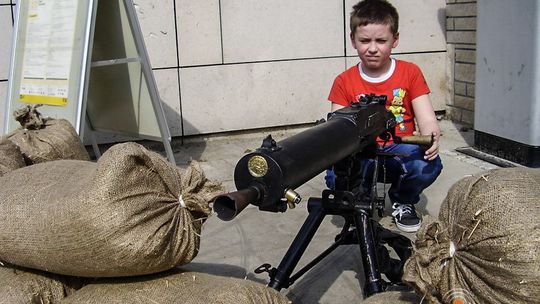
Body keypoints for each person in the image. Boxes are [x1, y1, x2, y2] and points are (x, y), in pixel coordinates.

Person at [326, 0, 443, 233]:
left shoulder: (410, 72)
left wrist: (431, 134)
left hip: (400, 150)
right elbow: (336, 127)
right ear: (353, 40)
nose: (372, 48)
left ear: (395, 40)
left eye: (381, 41)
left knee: (427, 165)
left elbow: (426, 117)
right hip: (362, 154)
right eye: (364, 40)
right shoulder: (344, 81)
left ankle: (403, 200)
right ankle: (361, 199)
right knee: (334, 175)